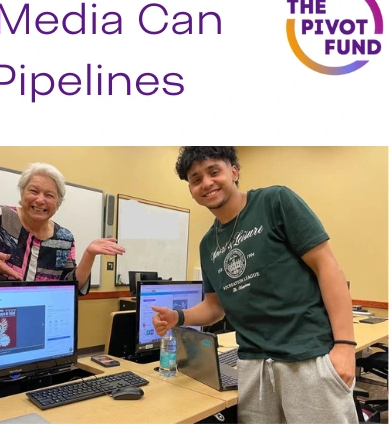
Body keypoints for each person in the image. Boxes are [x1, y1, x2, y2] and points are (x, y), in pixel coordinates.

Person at [151, 147, 358, 423]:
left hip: (307, 356)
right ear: (191, 189)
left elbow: (327, 267)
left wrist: (345, 347)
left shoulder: (275, 202)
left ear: (234, 171)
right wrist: (179, 317)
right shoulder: (208, 244)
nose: (207, 183)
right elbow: (216, 306)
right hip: (253, 365)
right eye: (196, 179)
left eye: (214, 171)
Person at [0, 162, 125, 295]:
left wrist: (89, 254)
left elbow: (71, 288)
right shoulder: (0, 218)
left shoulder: (64, 238)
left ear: (58, 203)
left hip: (40, 318)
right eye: (34, 191)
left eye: (49, 195)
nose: (40, 200)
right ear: (22, 193)